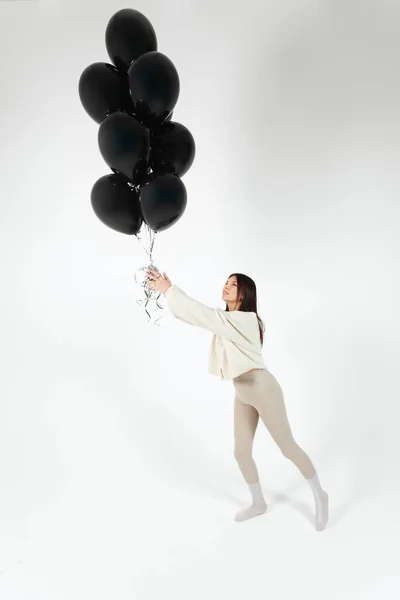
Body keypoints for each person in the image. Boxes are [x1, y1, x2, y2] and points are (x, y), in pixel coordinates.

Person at [145, 266, 329, 531]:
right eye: (226, 282)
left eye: (233, 284)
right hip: (242, 392)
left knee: (288, 448)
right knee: (241, 453)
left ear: (244, 294)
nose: (226, 286)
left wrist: (170, 291)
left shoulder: (247, 320)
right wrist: (169, 293)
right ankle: (258, 503)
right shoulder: (225, 320)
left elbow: (203, 316)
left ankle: (319, 495)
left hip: (263, 389)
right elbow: (196, 317)